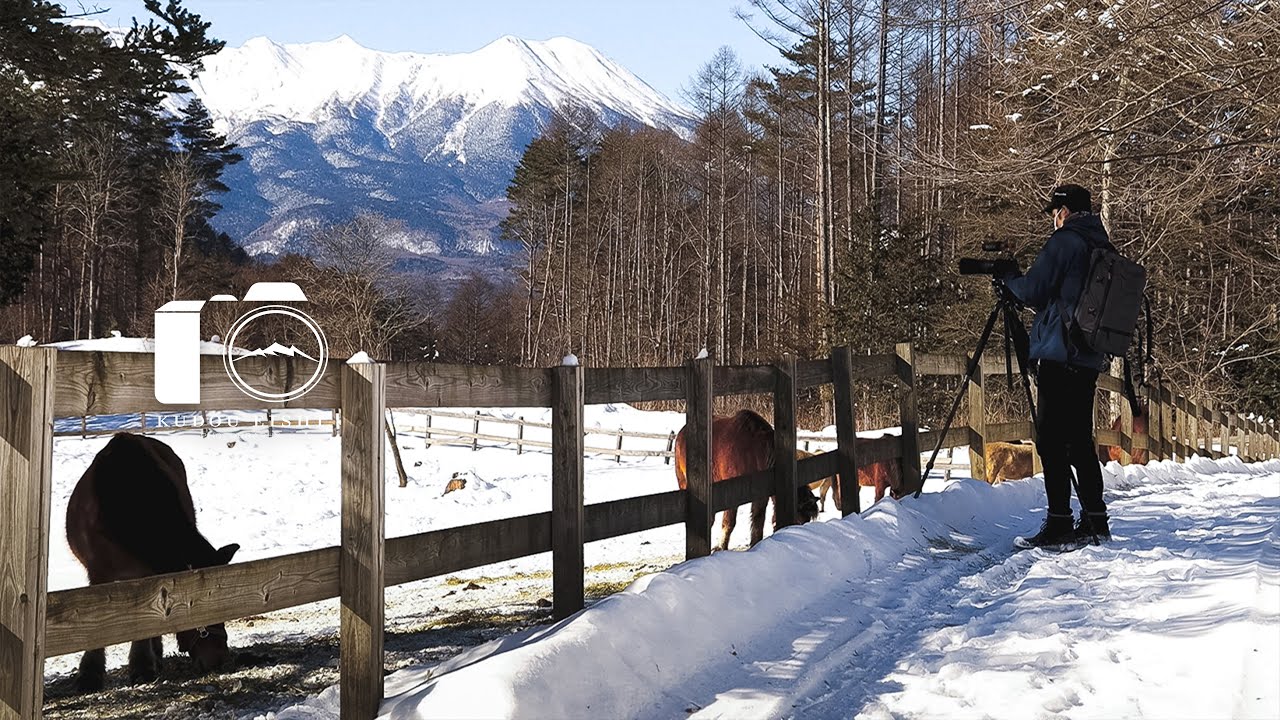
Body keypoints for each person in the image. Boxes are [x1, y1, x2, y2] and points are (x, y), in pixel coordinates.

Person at [1003, 184, 1112, 547]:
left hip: (1059, 353)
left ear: (1065, 210)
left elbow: (1033, 289)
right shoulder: (1101, 244)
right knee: (1080, 439)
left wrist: (1008, 281)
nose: (1054, 216)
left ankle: (1059, 521)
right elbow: (1064, 299)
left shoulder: (1066, 241)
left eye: (1056, 210)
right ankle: (1096, 519)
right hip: (1087, 357)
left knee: (1050, 441)